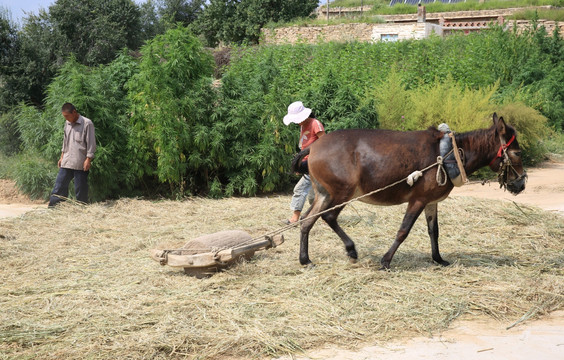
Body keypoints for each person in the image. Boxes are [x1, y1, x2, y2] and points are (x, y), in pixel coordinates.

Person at [282, 101, 325, 224]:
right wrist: (299, 166)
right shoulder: (302, 125)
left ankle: (295, 219)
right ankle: (324, 218)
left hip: (315, 164)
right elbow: (304, 148)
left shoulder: (315, 124)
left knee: (300, 189)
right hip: (307, 164)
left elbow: (325, 143)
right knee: (314, 196)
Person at [48, 103, 96, 208]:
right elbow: (65, 141)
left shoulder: (87, 123)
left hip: (80, 162)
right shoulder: (67, 123)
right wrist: (61, 157)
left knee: (80, 189)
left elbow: (91, 143)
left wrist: (88, 159)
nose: (66, 118)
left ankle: (82, 209)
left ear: (74, 112)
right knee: (59, 186)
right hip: (66, 161)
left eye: (67, 116)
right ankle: (53, 209)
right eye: (64, 116)